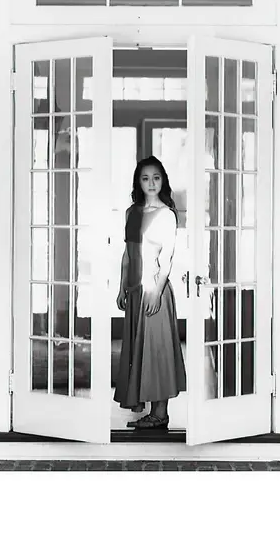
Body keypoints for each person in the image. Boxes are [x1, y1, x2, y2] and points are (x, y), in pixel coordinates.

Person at [113, 156, 187, 429]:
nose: (151, 183)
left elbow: (167, 259)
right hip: (134, 291)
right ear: (138, 182)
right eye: (145, 178)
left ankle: (160, 414)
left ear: (163, 180)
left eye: (156, 177)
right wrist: (121, 287)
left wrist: (156, 293)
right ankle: (152, 413)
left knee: (157, 351)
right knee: (139, 351)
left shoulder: (167, 215)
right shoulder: (130, 213)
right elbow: (127, 254)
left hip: (155, 290)